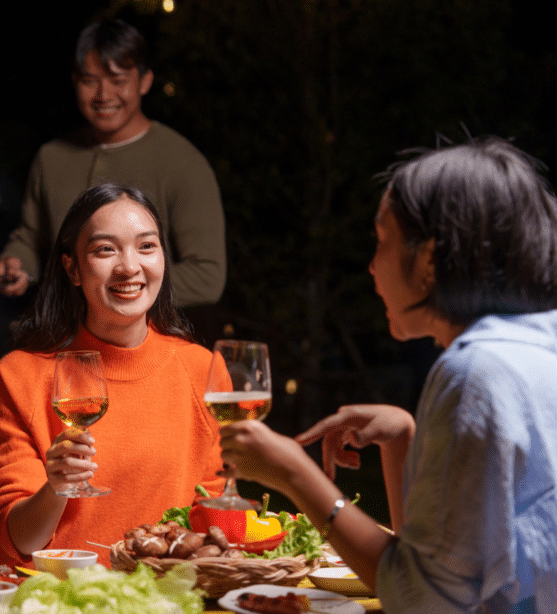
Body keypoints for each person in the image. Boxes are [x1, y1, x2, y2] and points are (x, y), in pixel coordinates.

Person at [219, 137, 557, 612]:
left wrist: (296, 475)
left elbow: (418, 600)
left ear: (429, 261)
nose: (372, 266)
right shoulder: (536, 350)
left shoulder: (478, 373)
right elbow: (437, 570)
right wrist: (403, 441)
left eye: (381, 242)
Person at [0, 182, 231, 567]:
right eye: (105, 249)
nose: (130, 267)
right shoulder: (21, 375)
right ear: (73, 269)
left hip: (164, 597)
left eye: (147, 246)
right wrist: (56, 488)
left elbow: (216, 520)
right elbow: (22, 540)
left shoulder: (203, 370)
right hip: (56, 597)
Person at [0, 19, 226, 325]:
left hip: (148, 347)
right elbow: (34, 238)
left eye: (118, 80)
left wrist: (113, 287)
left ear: (144, 81)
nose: (103, 95)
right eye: (90, 80)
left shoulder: (183, 162)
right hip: (61, 341)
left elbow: (207, 275)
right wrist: (16, 262)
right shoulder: (51, 158)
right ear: (75, 82)